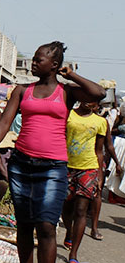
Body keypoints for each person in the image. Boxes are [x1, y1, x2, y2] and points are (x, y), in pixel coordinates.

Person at [0, 41, 105, 263]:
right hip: (21, 165)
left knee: (46, 226)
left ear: (54, 65)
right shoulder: (22, 90)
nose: (33, 63)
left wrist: (72, 76)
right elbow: (4, 122)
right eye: (34, 59)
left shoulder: (67, 92)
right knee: (24, 225)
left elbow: (99, 94)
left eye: (38, 60)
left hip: (53, 168)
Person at [61, 101, 106, 263]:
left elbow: (99, 151)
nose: (89, 101)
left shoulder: (100, 122)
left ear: (97, 103)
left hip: (89, 168)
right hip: (65, 166)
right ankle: (69, 232)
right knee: (66, 208)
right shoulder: (68, 115)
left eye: (93, 99)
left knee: (81, 210)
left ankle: (73, 254)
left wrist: (100, 174)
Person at [89, 107, 123, 241]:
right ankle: (69, 231)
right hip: (74, 162)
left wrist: (116, 163)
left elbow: (108, 145)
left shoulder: (102, 122)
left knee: (97, 193)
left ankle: (94, 227)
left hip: (96, 161)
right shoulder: (72, 117)